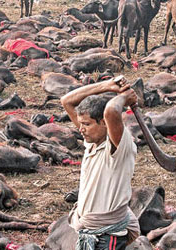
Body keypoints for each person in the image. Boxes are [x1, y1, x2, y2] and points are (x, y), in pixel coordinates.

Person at [60, 76, 141, 250]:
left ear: (104, 123)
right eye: (81, 124)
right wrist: (107, 86)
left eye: (87, 124)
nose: (80, 129)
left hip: (107, 236)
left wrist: (123, 98)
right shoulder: (92, 141)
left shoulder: (118, 147)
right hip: (88, 231)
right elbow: (66, 101)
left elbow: (112, 110)